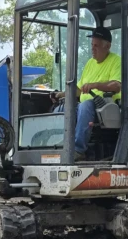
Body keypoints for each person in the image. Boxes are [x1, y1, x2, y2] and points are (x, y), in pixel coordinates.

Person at [51, 28, 121, 158]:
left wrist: (95, 85)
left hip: (105, 107)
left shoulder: (116, 61)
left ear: (108, 46)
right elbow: (79, 90)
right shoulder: (90, 63)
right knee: (61, 108)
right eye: (92, 45)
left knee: (86, 105)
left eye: (97, 46)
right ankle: (57, 145)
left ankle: (78, 150)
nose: (93, 49)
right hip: (86, 108)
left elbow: (116, 86)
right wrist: (62, 94)